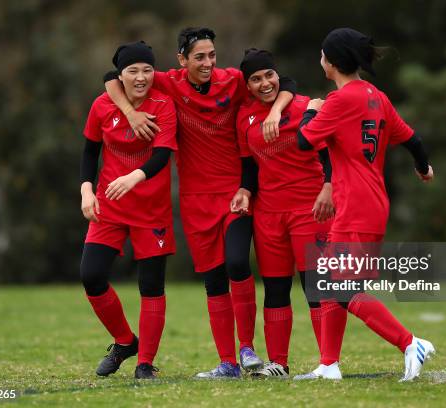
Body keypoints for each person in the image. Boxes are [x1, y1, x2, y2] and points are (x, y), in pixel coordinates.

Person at [103, 28, 297, 378]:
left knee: (237, 264)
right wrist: (130, 115)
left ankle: (247, 348)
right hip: (194, 201)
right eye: (199, 57)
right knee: (213, 282)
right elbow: (111, 79)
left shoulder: (235, 81)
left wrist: (276, 111)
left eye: (211, 55)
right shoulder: (168, 83)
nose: (208, 63)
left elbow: (285, 82)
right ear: (182, 60)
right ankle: (227, 364)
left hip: (235, 193)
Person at [293, 28, 436, 381]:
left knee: (337, 286)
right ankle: (328, 365)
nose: (320, 59)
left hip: (357, 206)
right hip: (368, 203)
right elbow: (413, 139)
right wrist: (423, 167)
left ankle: (410, 343)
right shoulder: (377, 96)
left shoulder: (339, 100)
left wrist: (312, 110)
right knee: (329, 282)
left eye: (322, 54)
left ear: (332, 61)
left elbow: (303, 142)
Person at [230, 49, 335, 378]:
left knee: (315, 287)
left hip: (310, 209)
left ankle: (327, 363)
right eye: (256, 79)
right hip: (268, 215)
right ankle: (279, 363)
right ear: (247, 86)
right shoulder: (244, 118)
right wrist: (245, 191)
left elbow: (330, 153)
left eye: (269, 76)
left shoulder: (304, 106)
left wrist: (329, 187)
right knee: (275, 289)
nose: (264, 83)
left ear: (279, 76)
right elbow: (248, 166)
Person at [80, 41, 177, 380]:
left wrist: (132, 178)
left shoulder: (164, 104)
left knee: (151, 285)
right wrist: (86, 191)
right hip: (111, 203)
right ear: (120, 75)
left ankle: (145, 364)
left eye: (147, 70)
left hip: (152, 209)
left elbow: (162, 155)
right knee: (91, 275)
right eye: (133, 71)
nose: (141, 77)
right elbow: (90, 153)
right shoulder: (102, 105)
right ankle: (124, 341)